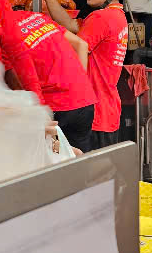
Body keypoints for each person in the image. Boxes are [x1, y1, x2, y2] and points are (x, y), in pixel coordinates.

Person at [37, 0, 130, 148]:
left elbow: (75, 47)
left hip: (94, 113)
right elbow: (70, 25)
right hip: (108, 111)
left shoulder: (101, 18)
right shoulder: (117, 16)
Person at [14, 9, 96, 152]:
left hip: (57, 107)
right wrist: (79, 84)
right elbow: (81, 45)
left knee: (53, 159)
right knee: (81, 163)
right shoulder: (38, 17)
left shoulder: (7, 33)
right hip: (84, 100)